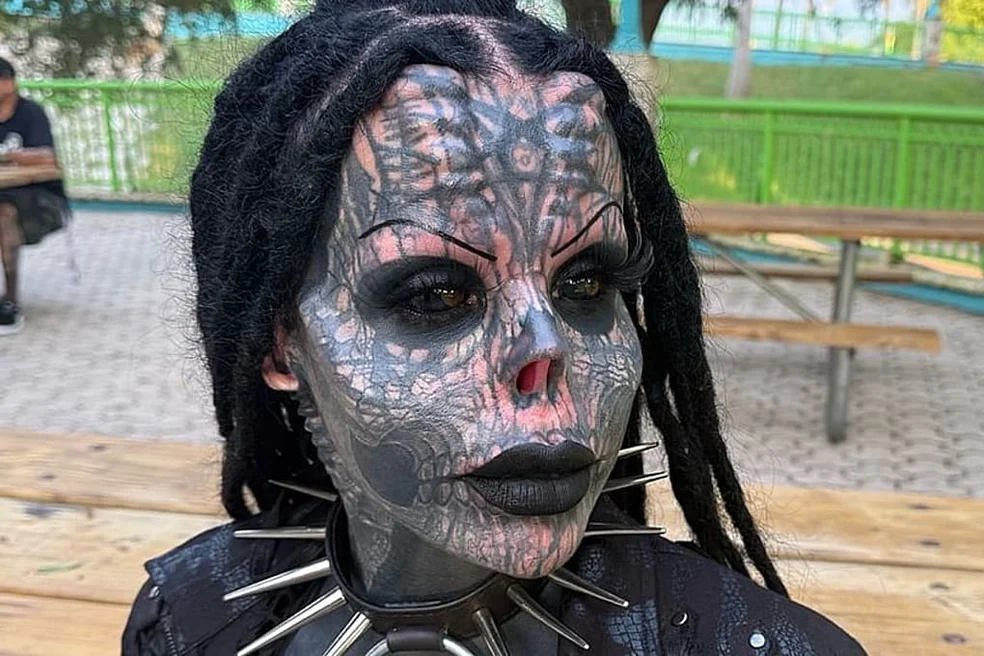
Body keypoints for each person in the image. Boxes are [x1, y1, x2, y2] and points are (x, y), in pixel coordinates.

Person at [122, 1, 867, 654]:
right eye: (437, 296)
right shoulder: (187, 623)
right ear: (280, 342)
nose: (546, 353)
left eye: (585, 283)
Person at [0, 57, 68, 335]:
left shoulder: (31, 113)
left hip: (36, 199)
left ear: (9, 83)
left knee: (4, 215)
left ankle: (10, 302)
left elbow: (47, 156)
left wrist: (10, 156)